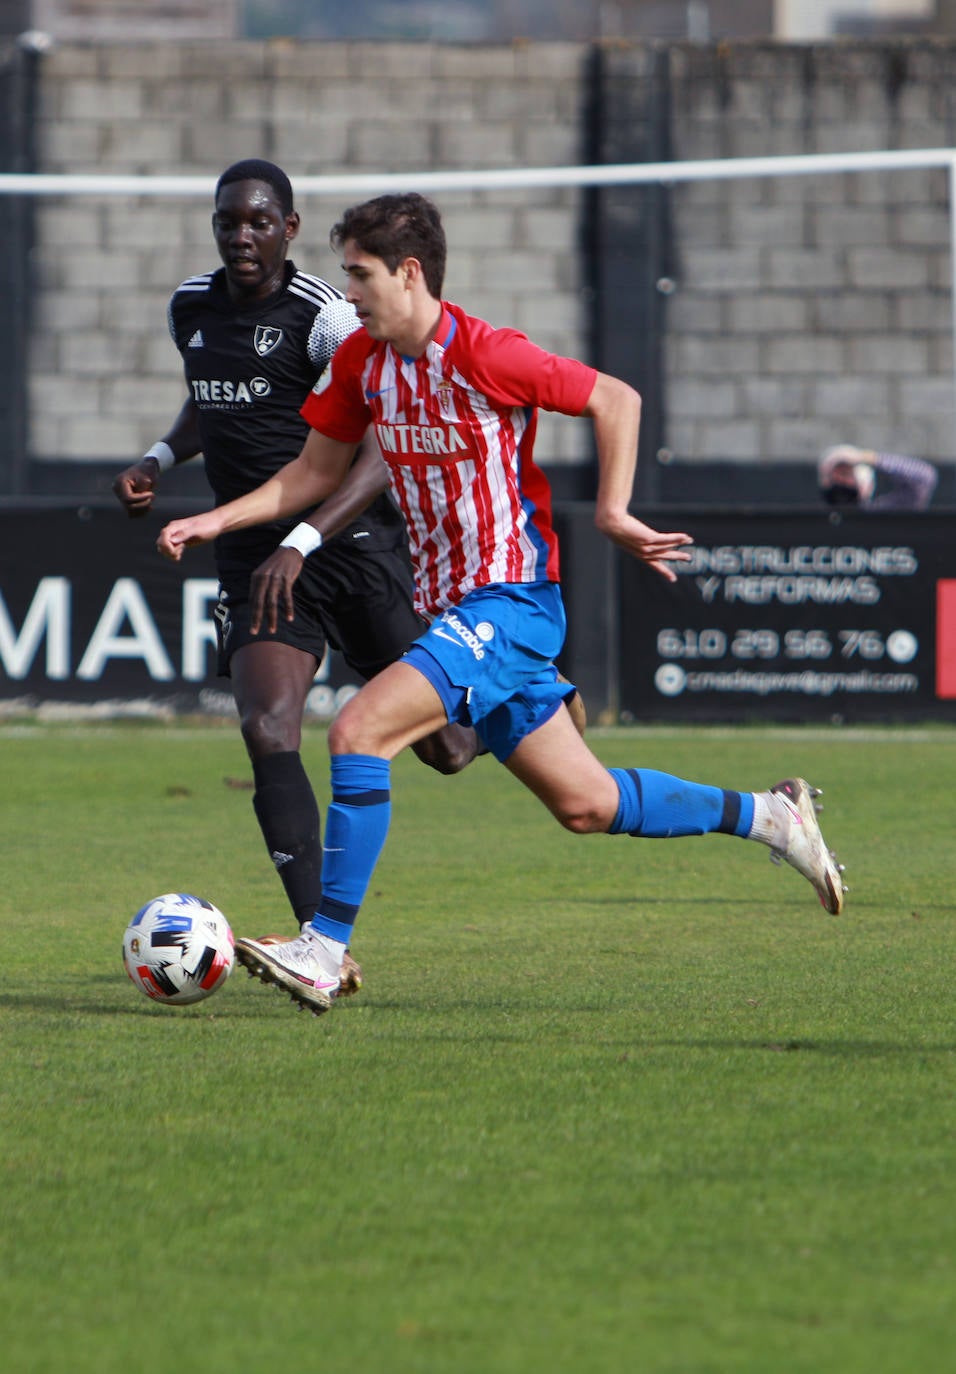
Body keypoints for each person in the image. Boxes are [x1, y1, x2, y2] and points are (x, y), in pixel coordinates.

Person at [157, 191, 847, 1017]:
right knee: (588, 806)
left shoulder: (487, 352)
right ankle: (771, 817)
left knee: (357, 731)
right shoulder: (362, 363)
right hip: (457, 610)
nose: (350, 294)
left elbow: (615, 399)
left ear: (410, 274)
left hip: (510, 600)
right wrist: (214, 518)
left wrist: (613, 511)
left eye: (361, 275)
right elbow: (312, 473)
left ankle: (323, 948)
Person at [113, 162, 482, 998]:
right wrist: (160, 457)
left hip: (351, 550)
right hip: (254, 559)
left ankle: (525, 691)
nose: (240, 236)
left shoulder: (323, 317)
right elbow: (209, 402)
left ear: (288, 226)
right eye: (226, 222)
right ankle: (325, 949)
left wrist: (309, 535)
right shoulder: (191, 306)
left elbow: (384, 445)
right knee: (268, 727)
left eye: (257, 222)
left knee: (448, 750)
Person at [818, 444, 938, 510]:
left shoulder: (881, 512)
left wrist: (869, 458)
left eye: (846, 474)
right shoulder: (813, 523)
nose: (840, 481)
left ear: (864, 482)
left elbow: (924, 477)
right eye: (834, 476)